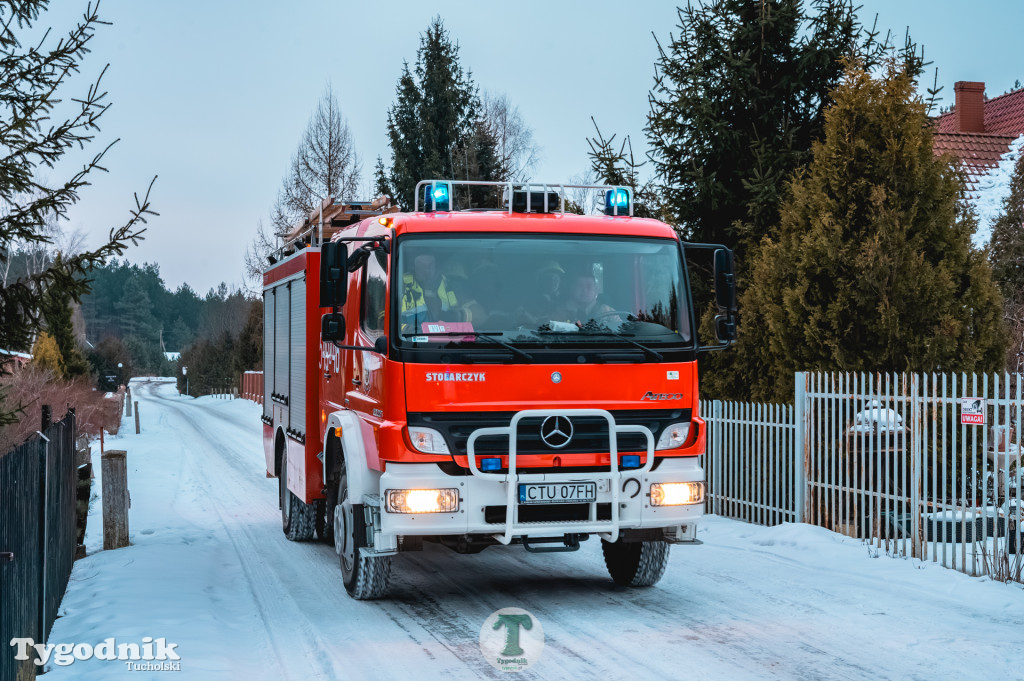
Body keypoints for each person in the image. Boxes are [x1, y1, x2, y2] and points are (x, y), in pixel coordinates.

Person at [399, 253, 458, 332]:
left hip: (445, 339)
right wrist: (405, 328)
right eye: (420, 264)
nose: (426, 269)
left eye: (430, 264)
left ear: (435, 267)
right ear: (414, 267)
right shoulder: (401, 283)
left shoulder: (446, 283)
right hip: (410, 340)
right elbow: (385, 321)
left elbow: (456, 311)